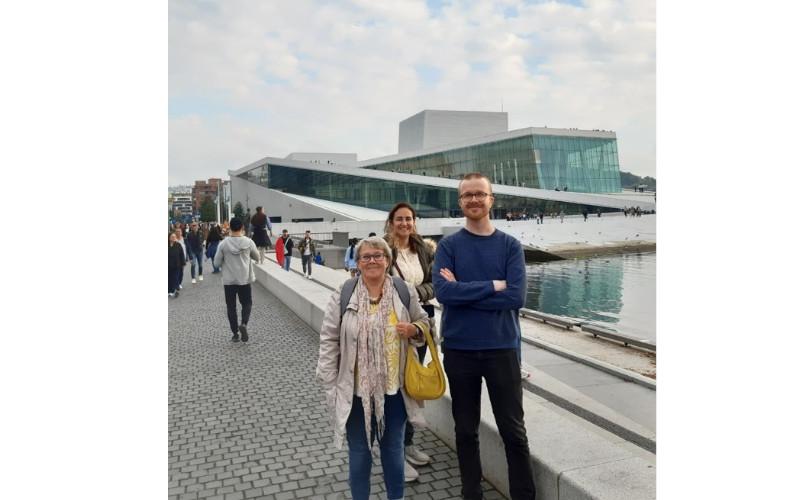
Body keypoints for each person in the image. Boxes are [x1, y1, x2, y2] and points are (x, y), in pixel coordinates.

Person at [433, 172, 536, 500]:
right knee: (465, 431)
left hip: (502, 348)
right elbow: (444, 294)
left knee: (514, 432)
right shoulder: (448, 246)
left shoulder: (510, 246)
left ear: (491, 199)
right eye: (467, 195)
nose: (474, 200)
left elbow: (516, 298)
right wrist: (493, 284)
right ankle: (471, 494)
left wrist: (464, 290)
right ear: (460, 202)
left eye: (480, 194)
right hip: (460, 350)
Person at [316, 237, 432, 500]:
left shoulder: (404, 292)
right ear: (357, 263)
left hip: (395, 391)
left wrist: (414, 329)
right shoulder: (344, 294)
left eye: (378, 255)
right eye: (366, 256)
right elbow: (328, 339)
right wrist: (329, 384)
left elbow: (425, 324)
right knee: (359, 454)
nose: (372, 261)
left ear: (388, 260)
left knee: (393, 452)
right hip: (355, 392)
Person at [383, 202, 437, 482]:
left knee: (413, 384)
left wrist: (414, 293)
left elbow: (435, 283)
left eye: (409, 219)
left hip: (421, 322)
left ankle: (408, 444)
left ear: (414, 222)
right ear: (391, 222)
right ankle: (393, 452)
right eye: (399, 219)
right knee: (394, 388)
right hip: (392, 325)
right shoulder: (383, 250)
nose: (404, 223)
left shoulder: (424, 250)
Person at [213, 218, 260, 343]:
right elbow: (257, 257)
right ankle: (244, 324)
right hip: (244, 279)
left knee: (231, 307)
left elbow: (216, 263)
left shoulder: (223, 244)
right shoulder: (249, 242)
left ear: (230, 228)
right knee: (247, 303)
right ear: (242, 228)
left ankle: (235, 334)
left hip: (229, 281)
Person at [168, 232, 186, 298]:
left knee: (175, 278)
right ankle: (169, 291)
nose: (173, 238)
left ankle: (175, 290)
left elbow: (181, 255)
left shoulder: (178, 245)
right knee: (169, 278)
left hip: (176, 265)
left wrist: (183, 263)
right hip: (168, 265)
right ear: (169, 238)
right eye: (172, 237)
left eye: (174, 237)